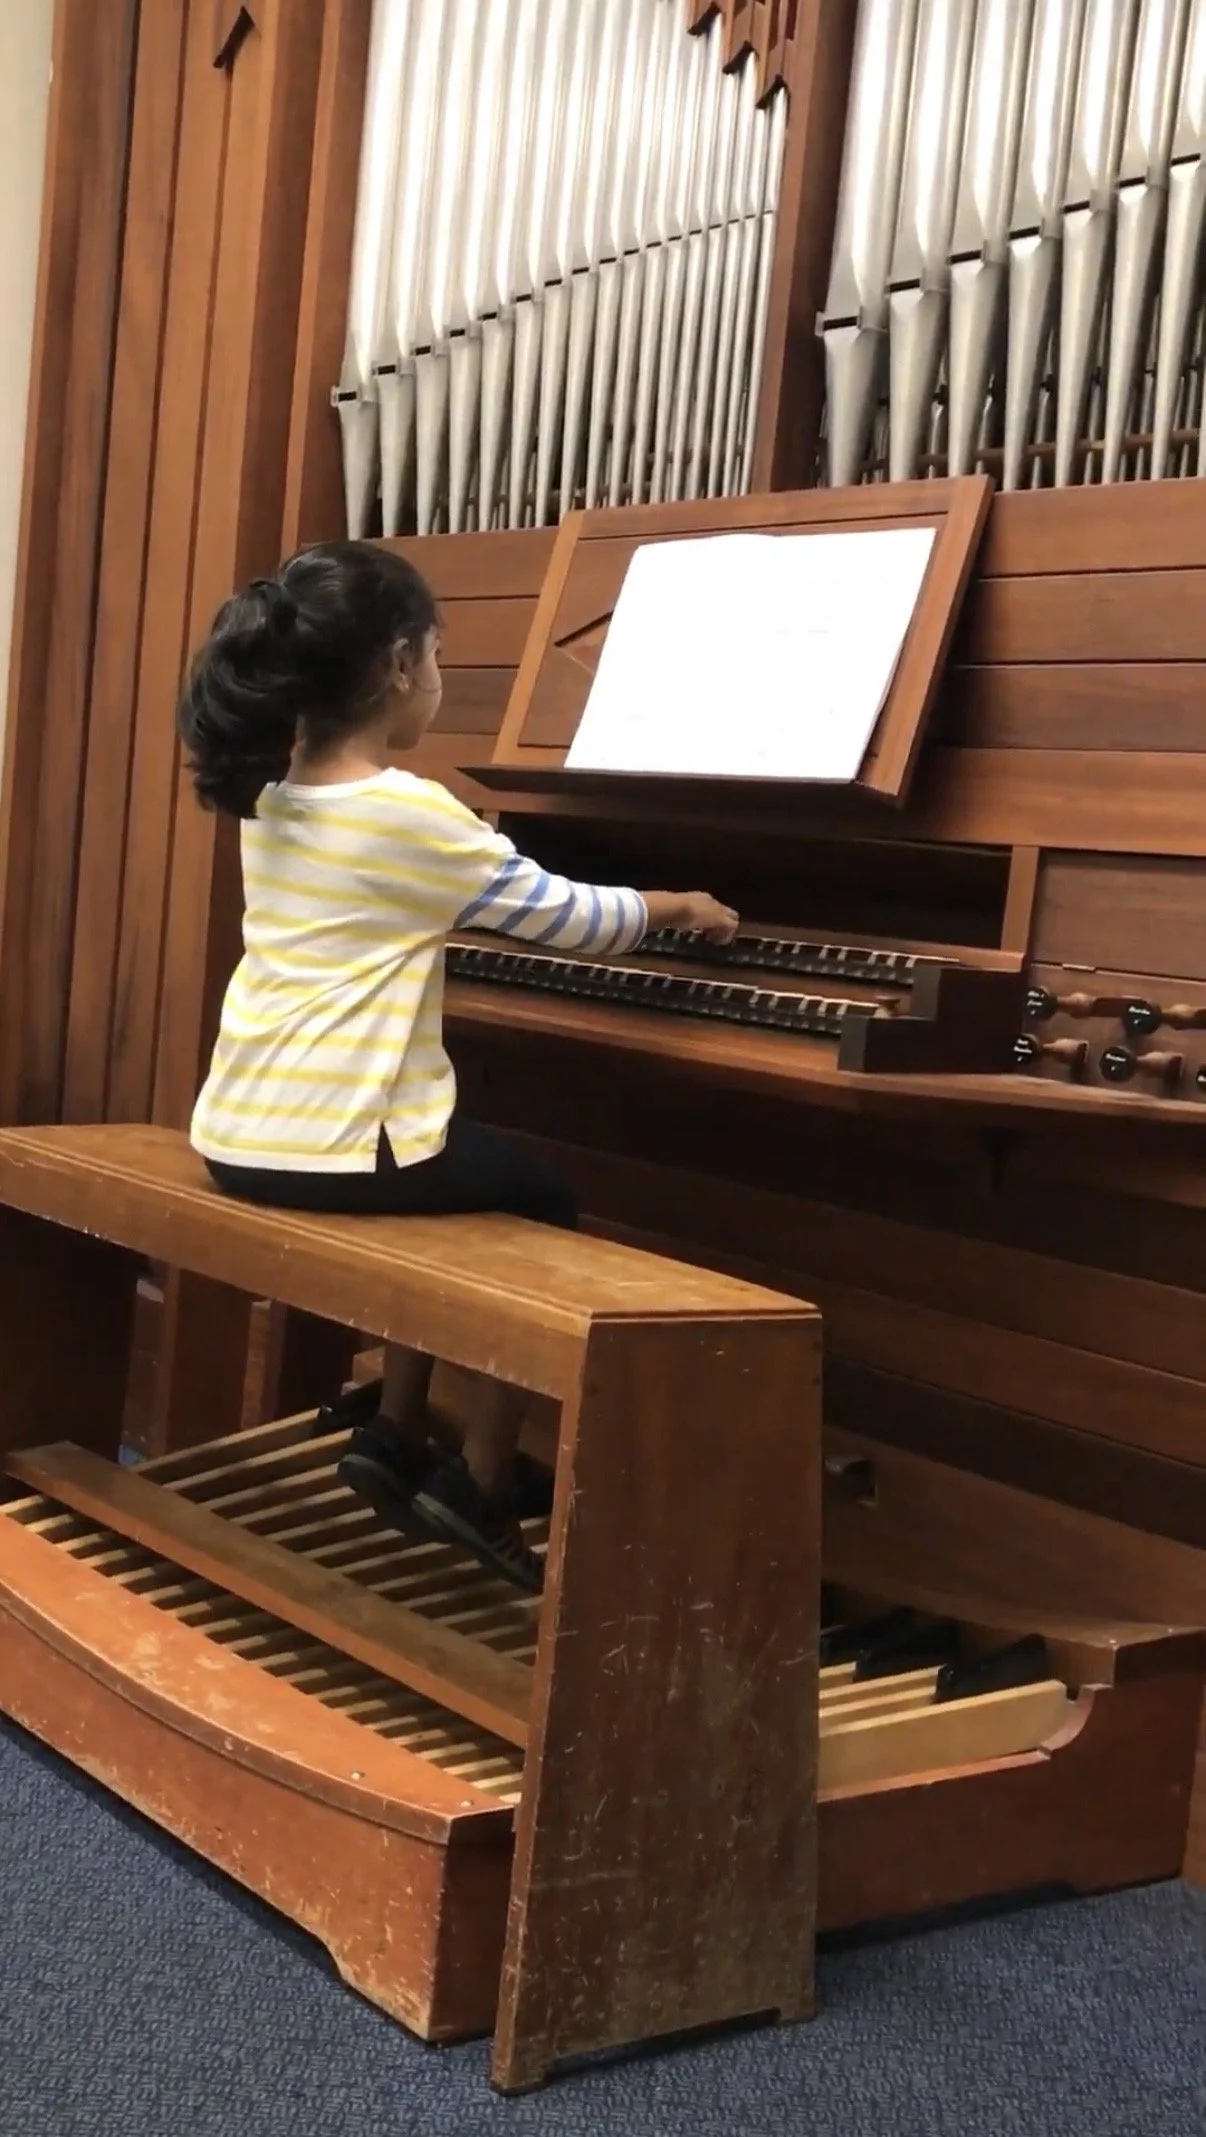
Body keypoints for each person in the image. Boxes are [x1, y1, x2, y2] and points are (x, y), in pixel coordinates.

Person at [179, 539, 738, 1591]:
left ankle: (396, 1431)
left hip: (244, 1126)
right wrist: (679, 906)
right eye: (437, 655)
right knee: (540, 1197)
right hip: (336, 1144)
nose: (439, 678)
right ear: (398, 666)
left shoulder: (274, 792)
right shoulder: (408, 810)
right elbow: (572, 919)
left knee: (442, 1179)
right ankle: (479, 1478)